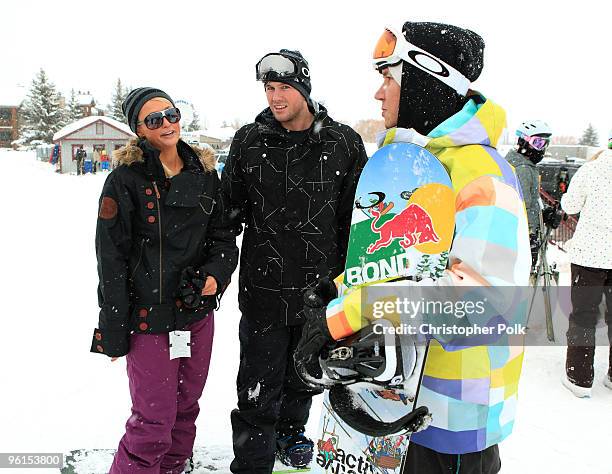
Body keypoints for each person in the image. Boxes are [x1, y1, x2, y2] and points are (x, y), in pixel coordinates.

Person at [295, 22, 531, 474]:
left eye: (389, 78)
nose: (378, 94)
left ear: (426, 81)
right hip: (394, 403)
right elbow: (404, 264)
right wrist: (338, 292)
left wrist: (347, 315)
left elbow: (481, 307)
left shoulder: (484, 177)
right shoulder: (419, 167)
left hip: (452, 419)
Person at [222, 49, 368, 472]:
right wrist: (214, 269)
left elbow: (354, 221)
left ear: (304, 88)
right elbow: (228, 213)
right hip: (263, 287)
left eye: (284, 87)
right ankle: (252, 458)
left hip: (318, 290)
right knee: (257, 382)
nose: (276, 97)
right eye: (269, 88)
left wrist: (349, 281)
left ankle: (290, 432)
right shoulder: (250, 141)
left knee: (305, 374)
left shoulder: (341, 142)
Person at [90, 87, 238, 473]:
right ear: (139, 129)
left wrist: (214, 276)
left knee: (186, 409)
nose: (167, 124)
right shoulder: (125, 181)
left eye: (171, 114)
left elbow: (223, 237)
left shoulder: (205, 175)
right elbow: (111, 259)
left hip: (196, 314)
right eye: (154, 119)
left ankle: (173, 468)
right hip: (147, 319)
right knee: (153, 420)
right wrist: (113, 329)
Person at [560, 146, 612, 397]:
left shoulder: (591, 169)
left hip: (590, 257)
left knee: (584, 315)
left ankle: (579, 377)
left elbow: (570, 205)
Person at [505, 121, 553, 267]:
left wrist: (545, 212)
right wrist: (529, 234)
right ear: (523, 142)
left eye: (545, 143)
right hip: (521, 238)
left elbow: (533, 199)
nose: (542, 149)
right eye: (537, 143)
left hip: (524, 235)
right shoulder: (523, 168)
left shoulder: (526, 166)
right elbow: (522, 205)